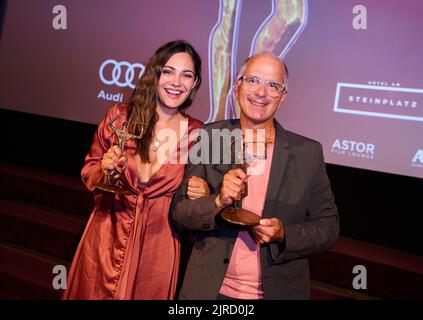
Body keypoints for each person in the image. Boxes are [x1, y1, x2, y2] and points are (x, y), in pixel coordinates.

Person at [171, 52, 339, 299]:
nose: (261, 92)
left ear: (282, 97)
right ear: (237, 87)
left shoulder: (307, 154)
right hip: (208, 291)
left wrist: (284, 233)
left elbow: (328, 228)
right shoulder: (209, 137)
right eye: (253, 81)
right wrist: (217, 201)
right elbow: (180, 214)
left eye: (273, 85)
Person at [63, 40, 210, 300]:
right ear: (154, 73)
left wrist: (206, 191)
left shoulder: (199, 133)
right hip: (107, 235)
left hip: (159, 247)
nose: (176, 82)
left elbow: (205, 195)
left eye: (186, 75)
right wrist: (105, 170)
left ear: (195, 83)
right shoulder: (120, 116)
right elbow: (90, 168)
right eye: (168, 71)